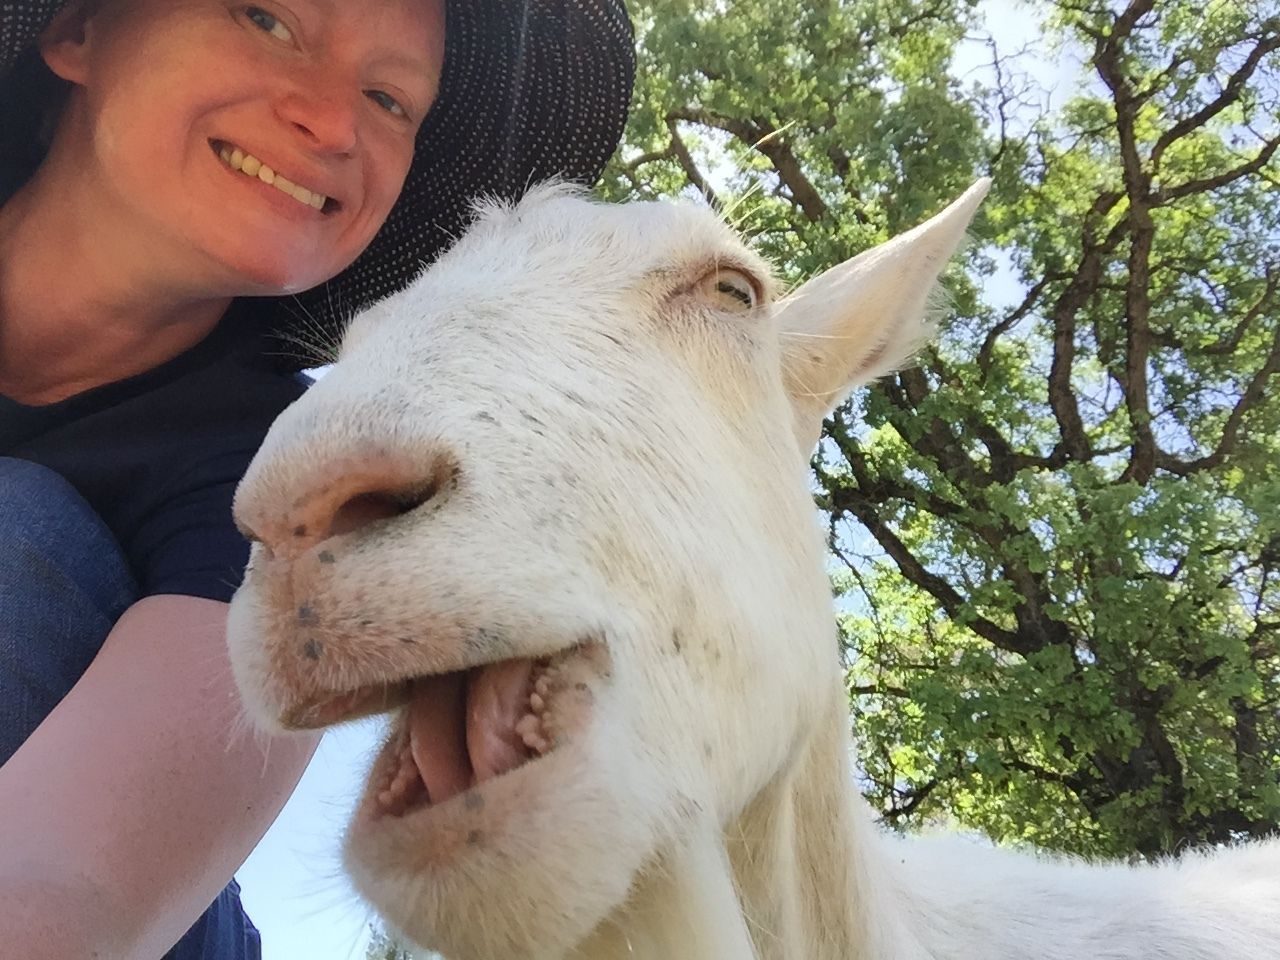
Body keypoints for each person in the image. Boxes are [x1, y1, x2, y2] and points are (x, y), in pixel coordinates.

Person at [0, 0, 634, 956]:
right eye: (268, 20)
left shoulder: (295, 473)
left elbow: (72, 895)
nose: (335, 125)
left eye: (390, 100)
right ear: (77, 31)